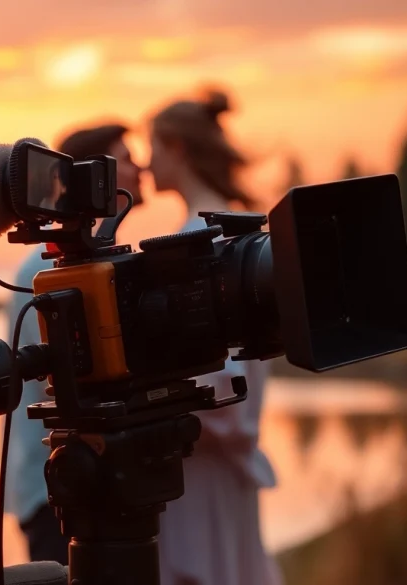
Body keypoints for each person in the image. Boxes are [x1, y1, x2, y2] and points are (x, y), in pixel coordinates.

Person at [146, 89, 283, 585]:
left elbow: (223, 379)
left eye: (153, 147)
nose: (146, 162)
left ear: (178, 148)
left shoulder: (202, 243)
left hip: (203, 466)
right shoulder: (243, 236)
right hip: (221, 462)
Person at [3, 123, 142, 565]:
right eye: (126, 158)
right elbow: (66, 382)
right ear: (94, 176)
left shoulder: (99, 258)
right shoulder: (42, 275)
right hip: (59, 486)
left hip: (93, 475)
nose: (140, 167)